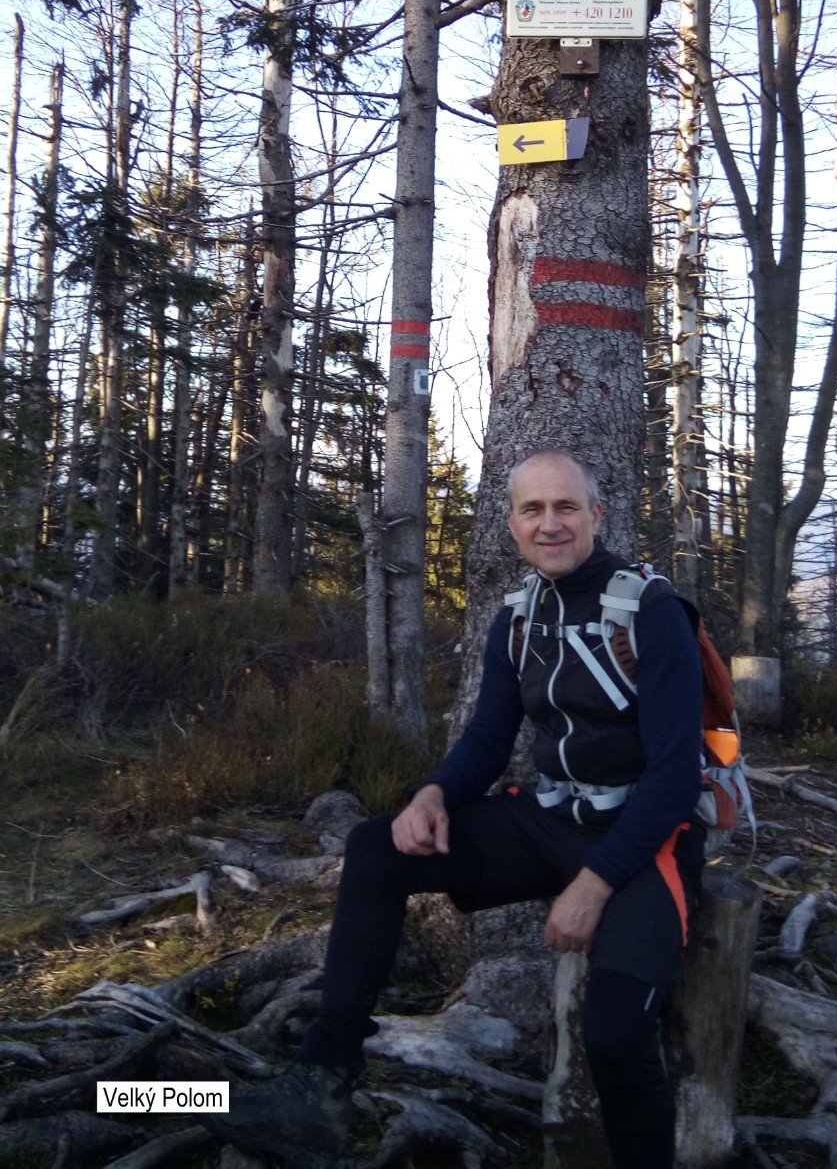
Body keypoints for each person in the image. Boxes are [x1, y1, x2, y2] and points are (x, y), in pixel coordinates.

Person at [210, 450, 705, 1169]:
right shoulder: (520, 616)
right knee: (377, 849)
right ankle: (320, 1084)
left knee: (615, 1037)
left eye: (566, 507)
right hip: (551, 819)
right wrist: (433, 793)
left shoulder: (652, 613)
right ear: (512, 525)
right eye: (533, 510)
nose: (550, 524)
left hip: (644, 840)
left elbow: (675, 778)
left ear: (597, 515)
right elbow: (487, 739)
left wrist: (593, 884)